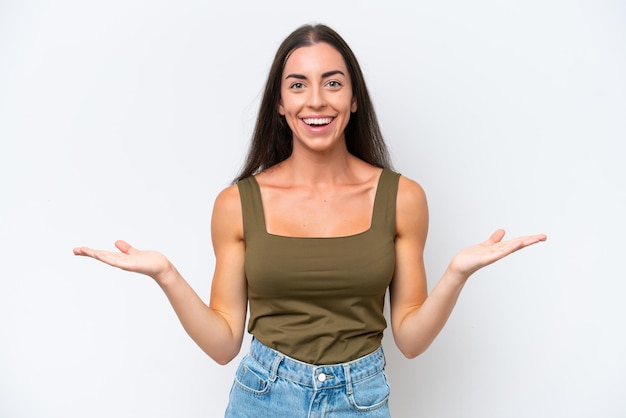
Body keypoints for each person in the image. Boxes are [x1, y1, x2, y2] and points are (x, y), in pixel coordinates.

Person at [73, 23, 546, 417]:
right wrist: (166, 275)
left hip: (359, 400)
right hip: (262, 397)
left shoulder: (402, 198)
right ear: (280, 104)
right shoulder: (237, 204)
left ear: (354, 98)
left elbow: (411, 339)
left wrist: (457, 274)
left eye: (333, 82)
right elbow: (222, 345)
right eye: (297, 85)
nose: (316, 100)